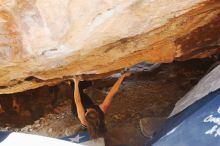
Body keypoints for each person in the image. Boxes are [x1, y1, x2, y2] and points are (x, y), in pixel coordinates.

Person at [71, 72, 131, 139]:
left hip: (76, 110)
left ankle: (76, 84)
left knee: (74, 88)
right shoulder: (102, 110)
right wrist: (122, 77)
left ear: (85, 115)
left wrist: (76, 82)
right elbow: (111, 93)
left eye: (88, 111)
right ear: (97, 112)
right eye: (91, 109)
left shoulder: (83, 119)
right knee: (81, 93)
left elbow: (77, 101)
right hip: (92, 114)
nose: (88, 109)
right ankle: (88, 83)